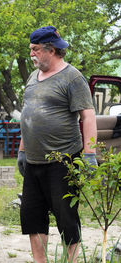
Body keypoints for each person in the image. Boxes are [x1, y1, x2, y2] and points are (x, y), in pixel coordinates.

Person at [17, 26, 97, 263]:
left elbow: (88, 116)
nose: (31, 54)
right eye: (30, 49)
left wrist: (90, 154)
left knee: (66, 218)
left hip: (63, 160)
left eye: (35, 49)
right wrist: (22, 150)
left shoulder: (72, 77)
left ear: (50, 50)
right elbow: (27, 115)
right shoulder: (33, 77)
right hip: (33, 161)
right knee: (32, 216)